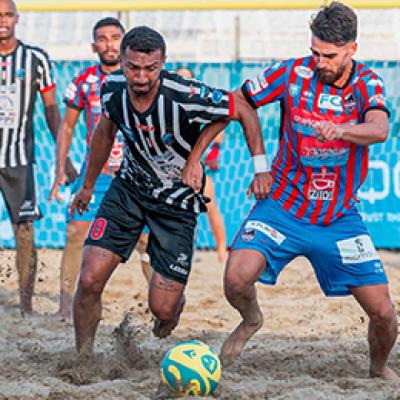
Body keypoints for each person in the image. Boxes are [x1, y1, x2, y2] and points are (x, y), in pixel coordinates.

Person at [183, 1, 398, 381]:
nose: (319, 61)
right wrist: (234, 162)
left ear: (352, 49)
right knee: (235, 278)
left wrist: (342, 130)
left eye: (329, 55)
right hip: (282, 207)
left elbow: (379, 129)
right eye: (315, 51)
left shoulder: (368, 82)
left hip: (338, 218)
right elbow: (238, 102)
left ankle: (377, 368)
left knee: (383, 314)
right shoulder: (291, 73)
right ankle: (251, 320)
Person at [69, 26, 270, 356]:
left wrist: (200, 158)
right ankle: (83, 359)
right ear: (121, 61)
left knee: (163, 311)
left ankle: (172, 304)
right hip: (128, 191)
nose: (142, 76)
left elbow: (240, 108)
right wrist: (87, 186)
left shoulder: (184, 93)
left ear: (163, 63)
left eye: (151, 68)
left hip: (176, 204)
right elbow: (104, 134)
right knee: (90, 278)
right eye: (133, 67)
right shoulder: (111, 88)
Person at [49, 18, 152, 322]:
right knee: (76, 230)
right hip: (99, 173)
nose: (109, 44)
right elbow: (66, 126)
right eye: (102, 39)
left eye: (115, 38)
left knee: (146, 241)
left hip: (138, 175)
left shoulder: (141, 78)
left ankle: (160, 303)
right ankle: (67, 305)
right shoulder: (84, 82)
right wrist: (60, 169)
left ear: (125, 43)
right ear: (94, 45)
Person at [0, 0, 76, 316]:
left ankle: (26, 306)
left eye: (6, 15)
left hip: (19, 160)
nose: (2, 21)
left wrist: (64, 158)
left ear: (17, 19)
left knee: (25, 231)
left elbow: (51, 110)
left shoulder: (35, 59)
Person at [176, 67, 227, 262]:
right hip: (169, 167)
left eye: (187, 78)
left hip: (194, 165)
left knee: (210, 204)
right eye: (180, 77)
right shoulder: (166, 102)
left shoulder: (200, 103)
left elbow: (219, 128)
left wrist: (214, 152)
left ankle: (222, 248)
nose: (183, 81)